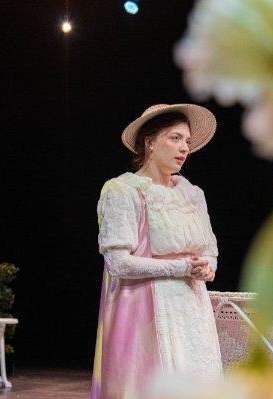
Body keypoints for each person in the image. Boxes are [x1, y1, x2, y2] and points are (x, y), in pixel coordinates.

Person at [91, 104, 223, 399]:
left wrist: (207, 266)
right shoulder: (122, 191)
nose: (184, 148)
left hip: (192, 311)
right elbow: (117, 263)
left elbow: (209, 250)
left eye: (187, 141)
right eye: (175, 138)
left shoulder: (192, 194)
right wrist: (182, 269)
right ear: (150, 143)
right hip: (145, 310)